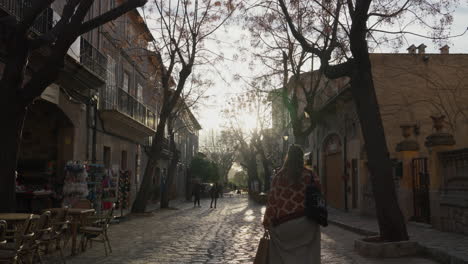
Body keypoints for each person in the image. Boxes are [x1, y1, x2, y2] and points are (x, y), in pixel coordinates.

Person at [262, 145, 321, 264]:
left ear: (287, 157)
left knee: (277, 253)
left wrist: (266, 223)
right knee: (310, 252)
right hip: (307, 225)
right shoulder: (311, 175)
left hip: (284, 227)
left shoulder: (278, 177)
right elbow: (319, 200)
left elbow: (272, 204)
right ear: (301, 158)